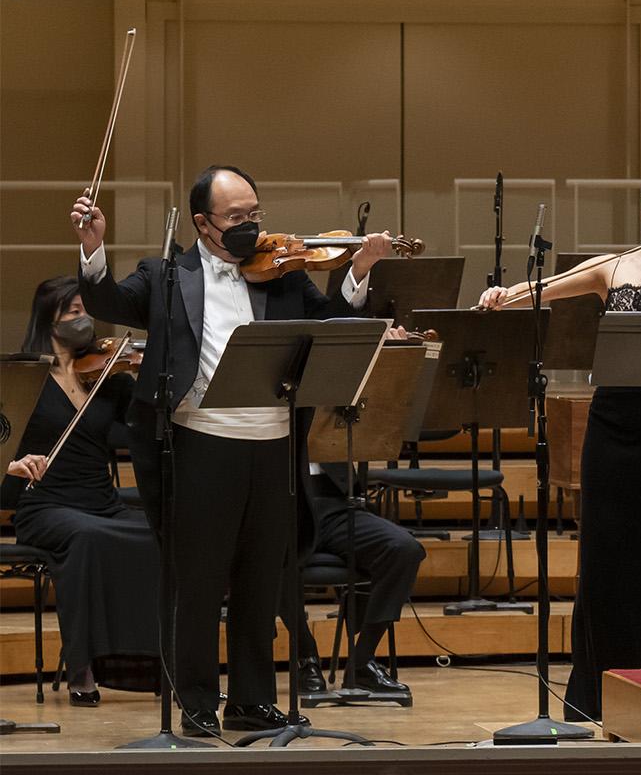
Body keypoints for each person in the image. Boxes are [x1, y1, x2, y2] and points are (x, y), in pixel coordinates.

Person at [72, 166, 395, 736]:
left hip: (273, 447)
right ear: (203, 223)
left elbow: (335, 321)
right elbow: (111, 303)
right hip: (200, 446)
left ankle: (251, 700)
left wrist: (359, 271)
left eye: (255, 214)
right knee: (197, 582)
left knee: (260, 579)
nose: (251, 226)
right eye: (236, 218)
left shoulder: (285, 276)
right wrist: (93, 247)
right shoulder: (166, 274)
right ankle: (195, 701)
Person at [478, 167, 641, 721]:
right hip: (613, 425)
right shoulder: (611, 267)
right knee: (606, 553)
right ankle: (594, 693)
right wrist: (503, 295)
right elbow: (540, 292)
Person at [1, 277, 159, 705]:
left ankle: (152, 664)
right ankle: (83, 666)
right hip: (45, 506)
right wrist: (12, 466)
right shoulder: (22, 376)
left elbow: (140, 435)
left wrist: (147, 385)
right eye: (72, 310)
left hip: (101, 502)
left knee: (157, 536)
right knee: (88, 539)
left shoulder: (107, 376)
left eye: (85, 309)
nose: (82, 318)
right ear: (47, 317)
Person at [292, 463, 426, 699]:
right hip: (284, 504)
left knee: (403, 549)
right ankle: (306, 657)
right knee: (271, 555)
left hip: (337, 505)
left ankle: (362, 662)